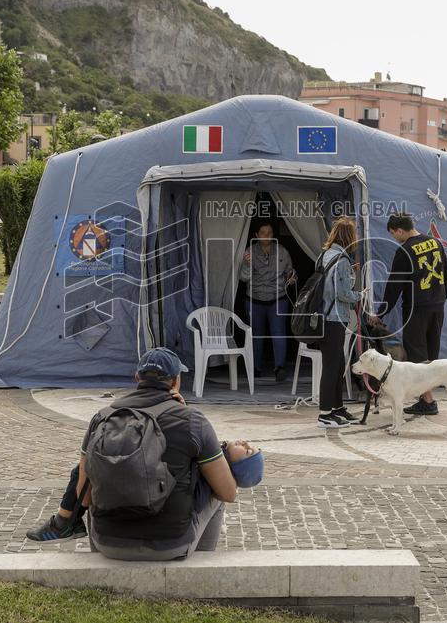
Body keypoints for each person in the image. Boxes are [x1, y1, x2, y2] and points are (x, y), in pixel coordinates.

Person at [25, 348, 241, 560]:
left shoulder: (101, 418)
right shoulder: (194, 420)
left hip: (108, 544)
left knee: (95, 478)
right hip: (171, 544)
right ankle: (202, 564)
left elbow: (84, 493)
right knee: (216, 485)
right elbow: (228, 493)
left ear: (137, 378)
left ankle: (66, 525)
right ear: (176, 381)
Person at [371, 213, 447, 416]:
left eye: (392, 234)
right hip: (437, 306)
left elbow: (394, 285)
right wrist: (440, 297)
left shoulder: (405, 250)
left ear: (399, 230)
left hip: (417, 309)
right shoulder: (435, 243)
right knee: (431, 353)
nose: (393, 238)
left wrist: (380, 313)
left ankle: (428, 401)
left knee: (417, 354)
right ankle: (428, 398)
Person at [317, 216, 363, 428]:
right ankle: (325, 414)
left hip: (323, 316)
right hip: (334, 318)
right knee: (332, 366)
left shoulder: (326, 255)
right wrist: (360, 295)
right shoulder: (341, 260)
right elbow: (343, 294)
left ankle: (337, 407)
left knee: (337, 364)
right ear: (349, 238)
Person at [239, 220, 296, 381]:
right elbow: (243, 278)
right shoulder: (249, 252)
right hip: (254, 299)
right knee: (256, 335)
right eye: (263, 233)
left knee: (279, 334)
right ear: (256, 235)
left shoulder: (282, 252)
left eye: (269, 233)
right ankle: (255, 368)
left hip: (278, 298)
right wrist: (247, 263)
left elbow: (289, 273)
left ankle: (280, 368)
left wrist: (291, 278)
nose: (267, 236)